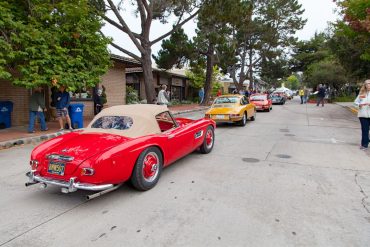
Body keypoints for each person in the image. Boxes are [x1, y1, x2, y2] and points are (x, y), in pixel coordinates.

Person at [354, 79, 370, 150]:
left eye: (369, 83)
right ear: (365, 85)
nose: (368, 85)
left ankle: (367, 140)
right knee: (365, 130)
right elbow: (355, 103)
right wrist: (359, 105)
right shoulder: (362, 94)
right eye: (367, 84)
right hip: (363, 115)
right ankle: (364, 145)